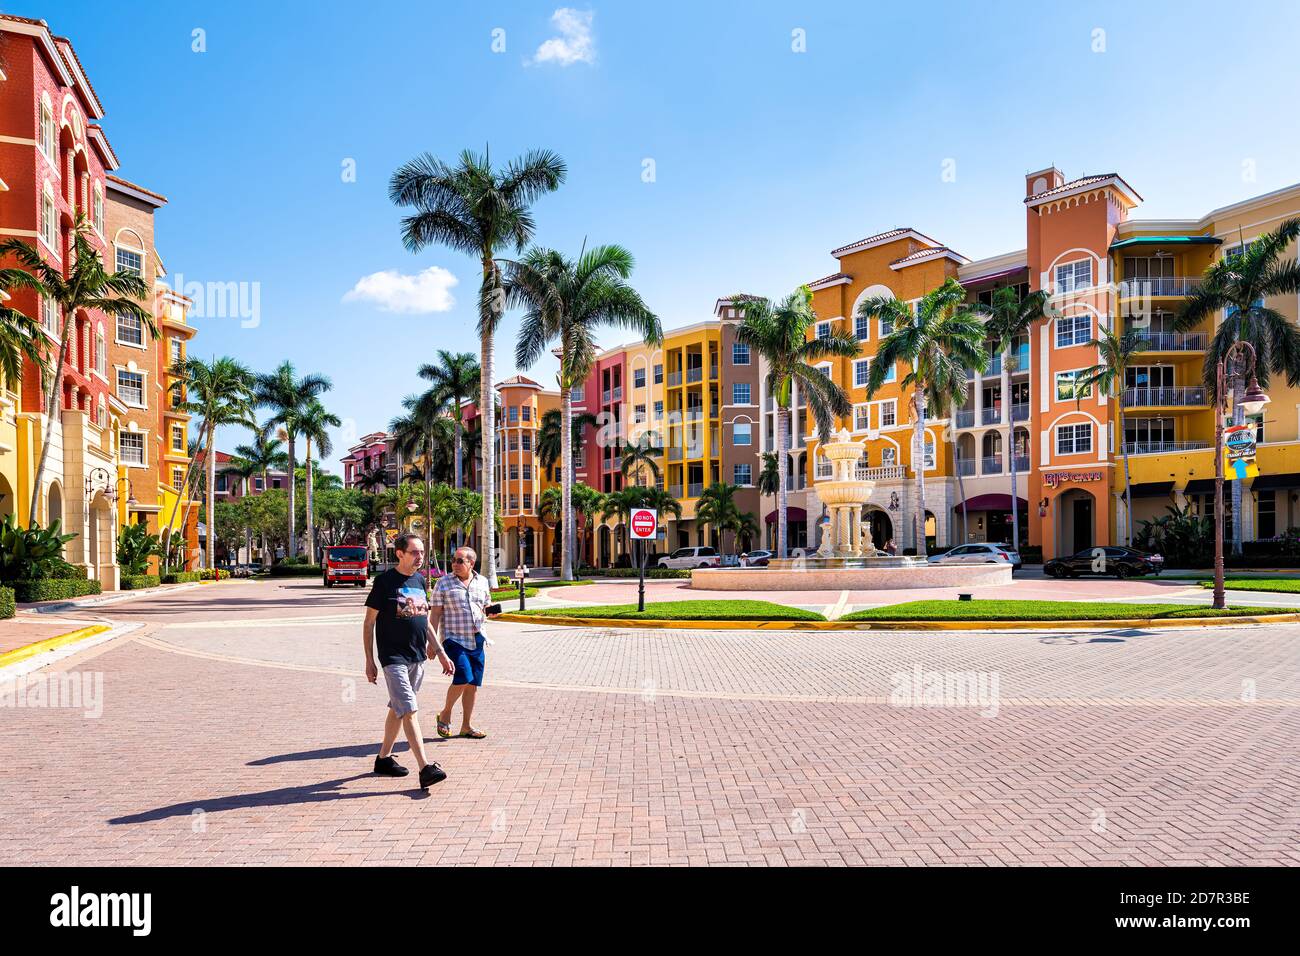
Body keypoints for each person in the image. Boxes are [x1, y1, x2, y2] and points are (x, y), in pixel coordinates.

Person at [363, 532, 453, 789]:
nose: (420, 557)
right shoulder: (384, 582)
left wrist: (441, 652)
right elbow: (369, 623)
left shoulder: (419, 581)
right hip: (393, 658)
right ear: (399, 553)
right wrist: (370, 660)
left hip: (417, 656)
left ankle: (383, 760)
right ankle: (425, 768)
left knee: (398, 708)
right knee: (410, 710)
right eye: (414, 552)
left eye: (422, 552)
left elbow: (424, 620)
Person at [430, 546, 497, 740]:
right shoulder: (443, 583)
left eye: (460, 561)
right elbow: (434, 614)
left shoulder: (482, 581)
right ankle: (446, 713)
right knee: (463, 676)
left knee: (472, 684)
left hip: (477, 638)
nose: (455, 564)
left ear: (471, 564)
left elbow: (486, 606)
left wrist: (492, 611)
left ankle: (466, 726)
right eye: (454, 560)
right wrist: (433, 644)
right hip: (453, 639)